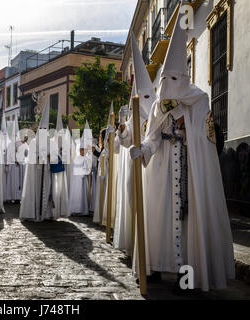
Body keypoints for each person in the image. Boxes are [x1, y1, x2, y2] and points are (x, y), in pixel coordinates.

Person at [130, 9, 235, 292]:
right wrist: (143, 151)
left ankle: (187, 274)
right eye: (166, 80)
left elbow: (207, 138)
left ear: (183, 78)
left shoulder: (199, 101)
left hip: (191, 172)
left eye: (174, 79)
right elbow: (151, 137)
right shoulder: (157, 106)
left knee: (189, 223)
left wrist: (187, 130)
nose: (168, 86)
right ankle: (153, 266)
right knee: (160, 219)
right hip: (163, 174)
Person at [113, 34, 156, 258]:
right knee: (133, 203)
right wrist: (122, 130)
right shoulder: (133, 114)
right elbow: (126, 139)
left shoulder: (159, 111)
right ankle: (134, 246)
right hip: (135, 166)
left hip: (154, 167)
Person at [19, 102, 54, 221]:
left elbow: (54, 155)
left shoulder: (50, 142)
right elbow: (31, 157)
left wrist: (49, 156)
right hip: (36, 170)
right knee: (36, 191)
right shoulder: (34, 142)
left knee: (47, 190)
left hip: (47, 170)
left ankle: (46, 213)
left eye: (46, 129)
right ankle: (35, 212)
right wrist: (40, 156)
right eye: (42, 129)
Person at [69, 122, 93, 216]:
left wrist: (84, 173)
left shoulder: (86, 157)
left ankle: (82, 209)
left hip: (82, 179)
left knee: (82, 195)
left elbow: (87, 168)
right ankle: (74, 209)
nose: (82, 151)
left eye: (84, 149)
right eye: (81, 149)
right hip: (76, 178)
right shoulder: (76, 157)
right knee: (75, 193)